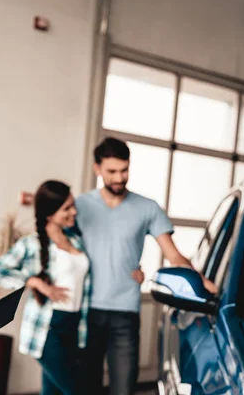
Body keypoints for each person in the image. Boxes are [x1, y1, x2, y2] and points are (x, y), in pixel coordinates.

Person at [75, 137, 218, 395]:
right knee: (85, 388)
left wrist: (201, 280)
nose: (119, 177)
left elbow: (173, 255)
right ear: (97, 169)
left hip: (125, 314)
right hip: (86, 311)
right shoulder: (80, 206)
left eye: (124, 170)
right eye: (112, 171)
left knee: (124, 388)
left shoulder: (147, 208)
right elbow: (60, 247)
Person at [0, 180, 142, 394]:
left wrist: (133, 270)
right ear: (49, 214)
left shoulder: (76, 241)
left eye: (73, 205)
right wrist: (33, 281)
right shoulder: (31, 244)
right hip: (49, 330)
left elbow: (105, 260)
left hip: (74, 326)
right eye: (66, 208)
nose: (74, 212)